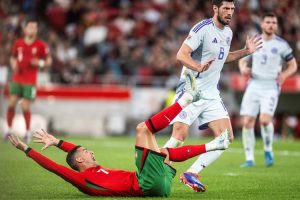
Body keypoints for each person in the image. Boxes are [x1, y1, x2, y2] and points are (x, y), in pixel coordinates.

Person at [8, 70, 231, 197]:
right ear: (80, 160)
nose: (90, 151)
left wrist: (57, 141)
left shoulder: (95, 168)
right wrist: (26, 149)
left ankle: (215, 144)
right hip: (147, 184)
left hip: (160, 186)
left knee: (165, 151)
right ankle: (187, 98)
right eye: (86, 151)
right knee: (142, 129)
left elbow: (72, 152)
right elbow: (55, 167)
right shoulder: (82, 179)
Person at [162, 0, 262, 192]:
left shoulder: (228, 33)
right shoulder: (202, 28)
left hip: (211, 93)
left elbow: (223, 58)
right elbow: (181, 55)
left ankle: (192, 172)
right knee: (179, 136)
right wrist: (198, 67)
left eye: (232, 9)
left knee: (226, 137)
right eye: (226, 8)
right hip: (191, 90)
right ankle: (154, 170)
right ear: (215, 8)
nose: (230, 12)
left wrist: (246, 51)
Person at [239, 13, 297, 168]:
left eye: (274, 22)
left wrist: (284, 75)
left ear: (276, 26)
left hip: (271, 85)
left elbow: (293, 65)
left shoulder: (281, 45)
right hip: (254, 84)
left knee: (264, 120)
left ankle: (268, 150)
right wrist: (244, 68)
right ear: (263, 25)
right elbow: (242, 60)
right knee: (247, 122)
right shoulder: (254, 41)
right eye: (268, 22)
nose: (271, 25)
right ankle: (249, 158)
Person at [4, 18, 52, 143]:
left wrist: (40, 62)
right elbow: (13, 58)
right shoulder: (18, 43)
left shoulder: (40, 45)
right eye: (30, 27)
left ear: (36, 30)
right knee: (11, 103)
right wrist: (14, 64)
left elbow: (48, 61)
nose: (32, 29)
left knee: (25, 106)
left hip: (30, 81)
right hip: (17, 78)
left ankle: (27, 132)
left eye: (34, 27)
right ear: (25, 29)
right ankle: (8, 130)